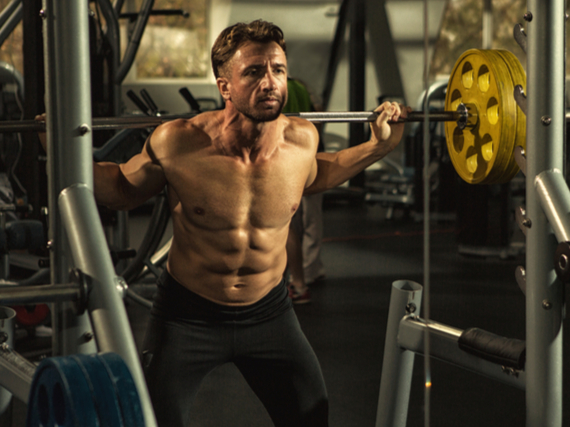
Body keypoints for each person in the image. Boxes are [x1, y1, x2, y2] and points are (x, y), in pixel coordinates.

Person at [40, 19, 408, 427]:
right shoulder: (178, 142)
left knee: (311, 414)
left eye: (278, 70)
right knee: (151, 421)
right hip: (187, 315)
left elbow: (318, 175)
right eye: (254, 72)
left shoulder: (302, 140)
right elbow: (123, 189)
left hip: (269, 313)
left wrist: (378, 146)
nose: (270, 83)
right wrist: (61, 150)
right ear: (225, 86)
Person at [283, 77, 325, 303]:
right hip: (309, 154)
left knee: (289, 223)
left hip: (288, 158)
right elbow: (318, 114)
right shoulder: (303, 86)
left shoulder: (277, 89)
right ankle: (309, 271)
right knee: (310, 219)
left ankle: (298, 279)